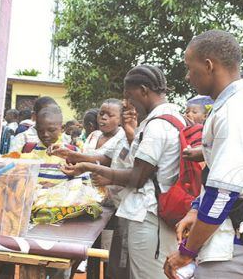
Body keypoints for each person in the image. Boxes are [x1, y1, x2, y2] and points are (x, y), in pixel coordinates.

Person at [162, 30, 243, 278]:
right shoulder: (236, 104)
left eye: (189, 67)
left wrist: (187, 250)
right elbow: (219, 175)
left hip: (235, 243)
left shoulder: (236, 111)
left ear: (208, 66)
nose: (187, 76)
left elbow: (223, 192)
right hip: (236, 236)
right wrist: (196, 209)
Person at [61, 65, 182, 279]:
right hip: (156, 214)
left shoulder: (157, 126)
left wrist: (91, 168)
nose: (126, 103)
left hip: (149, 217)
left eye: (129, 96)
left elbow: (137, 177)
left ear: (144, 90)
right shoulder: (172, 117)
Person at [50, 98, 130, 278]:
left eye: (110, 115)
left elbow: (111, 164)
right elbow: (87, 159)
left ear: (120, 119)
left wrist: (106, 179)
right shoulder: (94, 136)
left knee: (110, 254)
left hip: (113, 204)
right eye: (102, 114)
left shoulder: (123, 137)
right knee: (86, 249)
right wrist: (72, 164)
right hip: (90, 199)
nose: (104, 118)